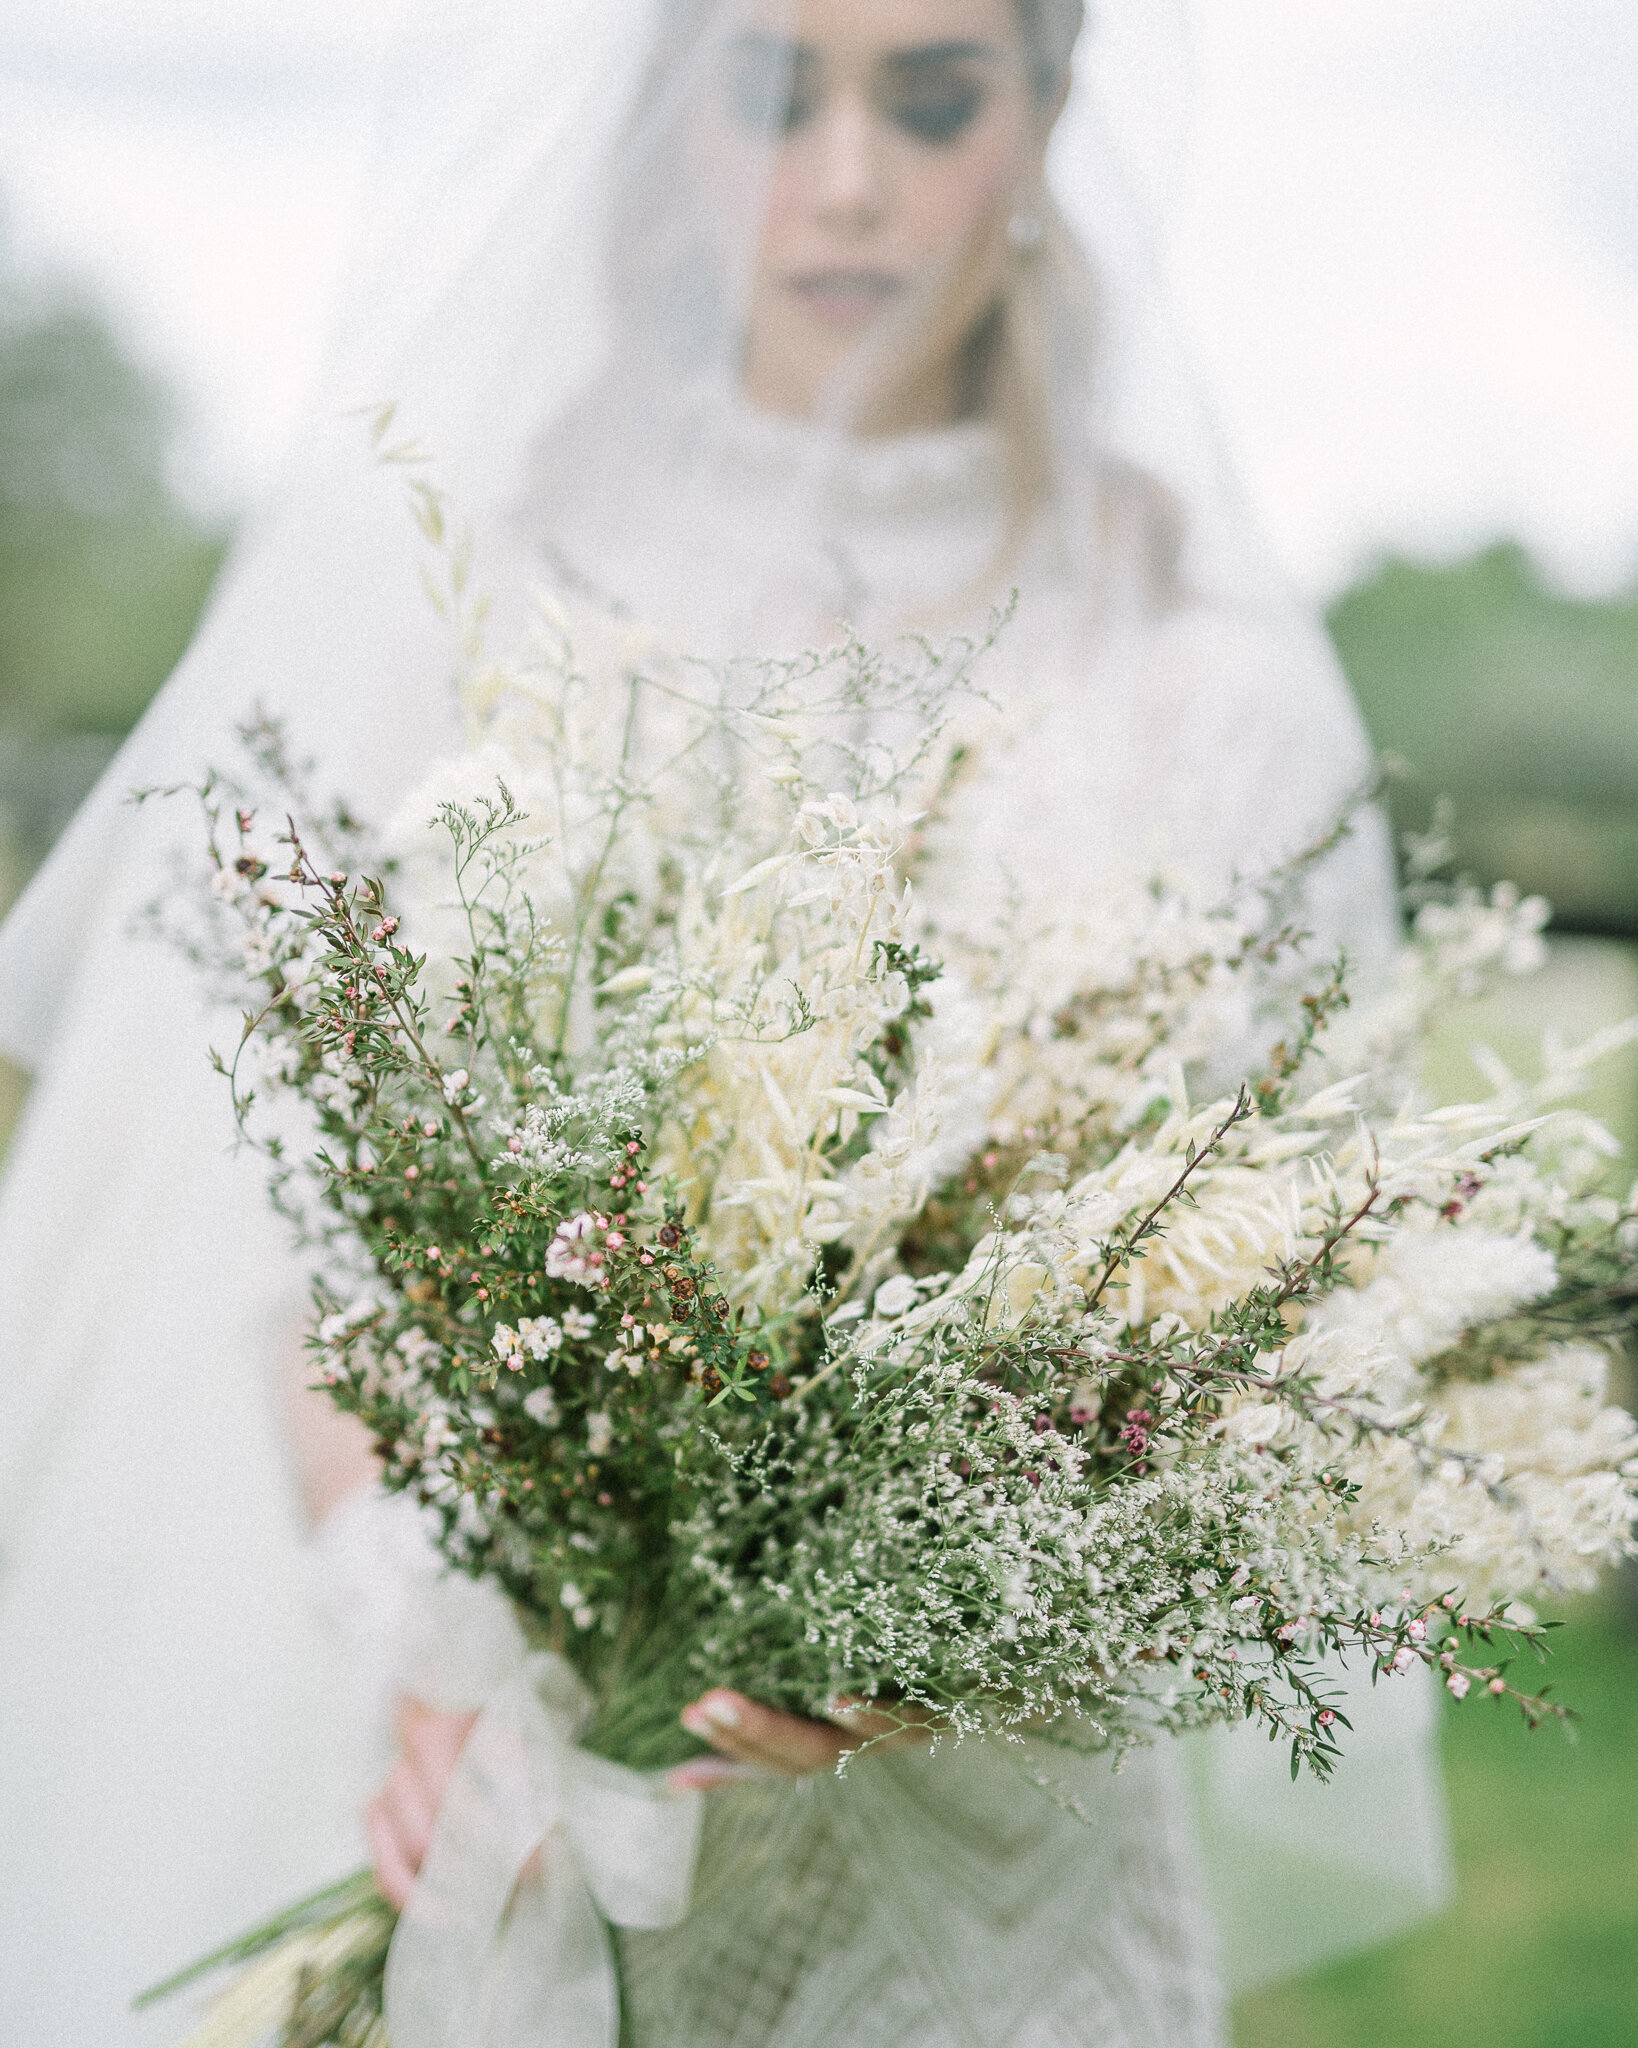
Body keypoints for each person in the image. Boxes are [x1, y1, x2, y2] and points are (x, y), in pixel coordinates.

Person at [0, 3, 1448, 2043]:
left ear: (1045, 112)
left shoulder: (1210, 696)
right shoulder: (475, 607)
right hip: (509, 1813)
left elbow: (1307, 1323)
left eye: (931, 95)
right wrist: (424, 1608)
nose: (848, 174)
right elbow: (290, 1241)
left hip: (1000, 1873)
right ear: (675, 117)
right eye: (779, 88)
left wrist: (959, 1607)